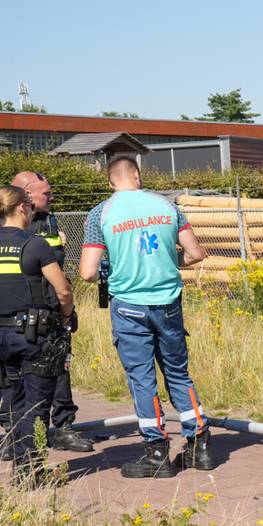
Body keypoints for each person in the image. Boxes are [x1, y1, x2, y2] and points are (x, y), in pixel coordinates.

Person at [78, 156, 214, 478]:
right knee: (178, 372)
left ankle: (156, 450)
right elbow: (195, 253)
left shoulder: (101, 213)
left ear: (111, 181)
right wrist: (167, 264)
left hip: (129, 307)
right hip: (168, 302)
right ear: (137, 176)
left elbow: (86, 272)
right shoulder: (167, 206)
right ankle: (200, 443)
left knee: (142, 378)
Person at [8, 171, 94, 454]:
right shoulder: (15, 227)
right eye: (46, 193)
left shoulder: (49, 220)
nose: (52, 197)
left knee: (60, 370)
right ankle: (18, 436)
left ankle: (63, 427)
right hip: (25, 315)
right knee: (17, 382)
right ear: (26, 197)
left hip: (53, 310)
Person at [0, 186, 74, 480]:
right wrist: (67, 317)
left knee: (13, 401)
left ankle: (20, 467)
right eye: (30, 208)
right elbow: (63, 289)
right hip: (32, 336)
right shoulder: (35, 244)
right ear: (21, 208)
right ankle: (32, 471)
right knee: (37, 404)